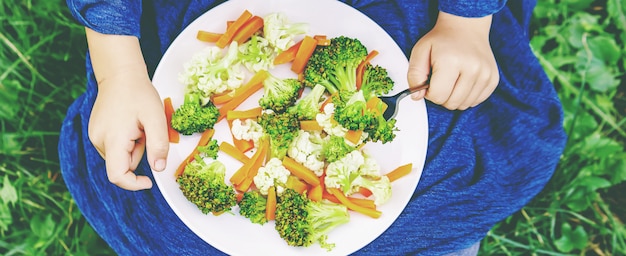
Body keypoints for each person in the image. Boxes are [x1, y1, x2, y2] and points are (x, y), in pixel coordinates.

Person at [59, 0, 566, 255]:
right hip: (189, 18)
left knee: (445, 169)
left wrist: (465, 23)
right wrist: (119, 68)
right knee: (164, 210)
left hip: (400, 14)